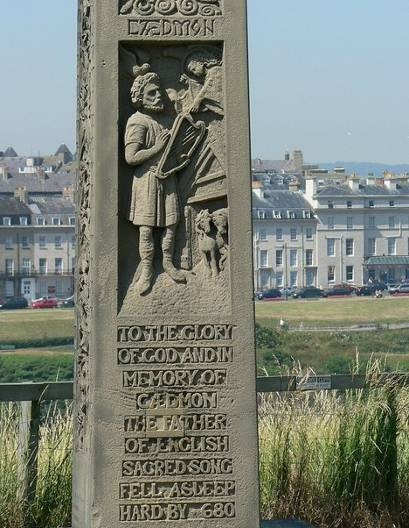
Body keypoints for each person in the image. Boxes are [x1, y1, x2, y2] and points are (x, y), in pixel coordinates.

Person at [124, 64, 186, 295]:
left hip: (167, 178)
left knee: (171, 224)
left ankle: (169, 263)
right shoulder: (137, 121)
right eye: (151, 93)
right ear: (140, 98)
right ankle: (147, 271)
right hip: (147, 181)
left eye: (158, 91)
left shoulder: (163, 122)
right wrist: (157, 147)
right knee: (147, 229)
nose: (158, 95)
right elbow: (131, 157)